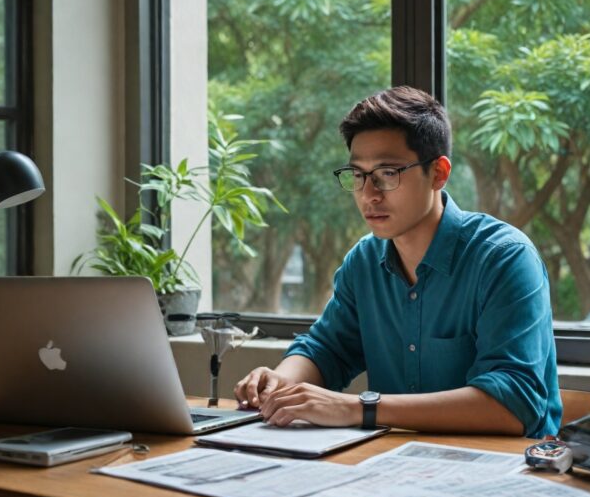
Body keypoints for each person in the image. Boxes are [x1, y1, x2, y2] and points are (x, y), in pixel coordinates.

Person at [234, 86, 561, 437]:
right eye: (358, 175)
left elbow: (513, 404)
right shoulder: (364, 261)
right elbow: (327, 349)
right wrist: (281, 382)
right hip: (394, 459)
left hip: (504, 464)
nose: (368, 194)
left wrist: (357, 408)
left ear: (438, 173)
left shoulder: (504, 257)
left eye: (388, 174)